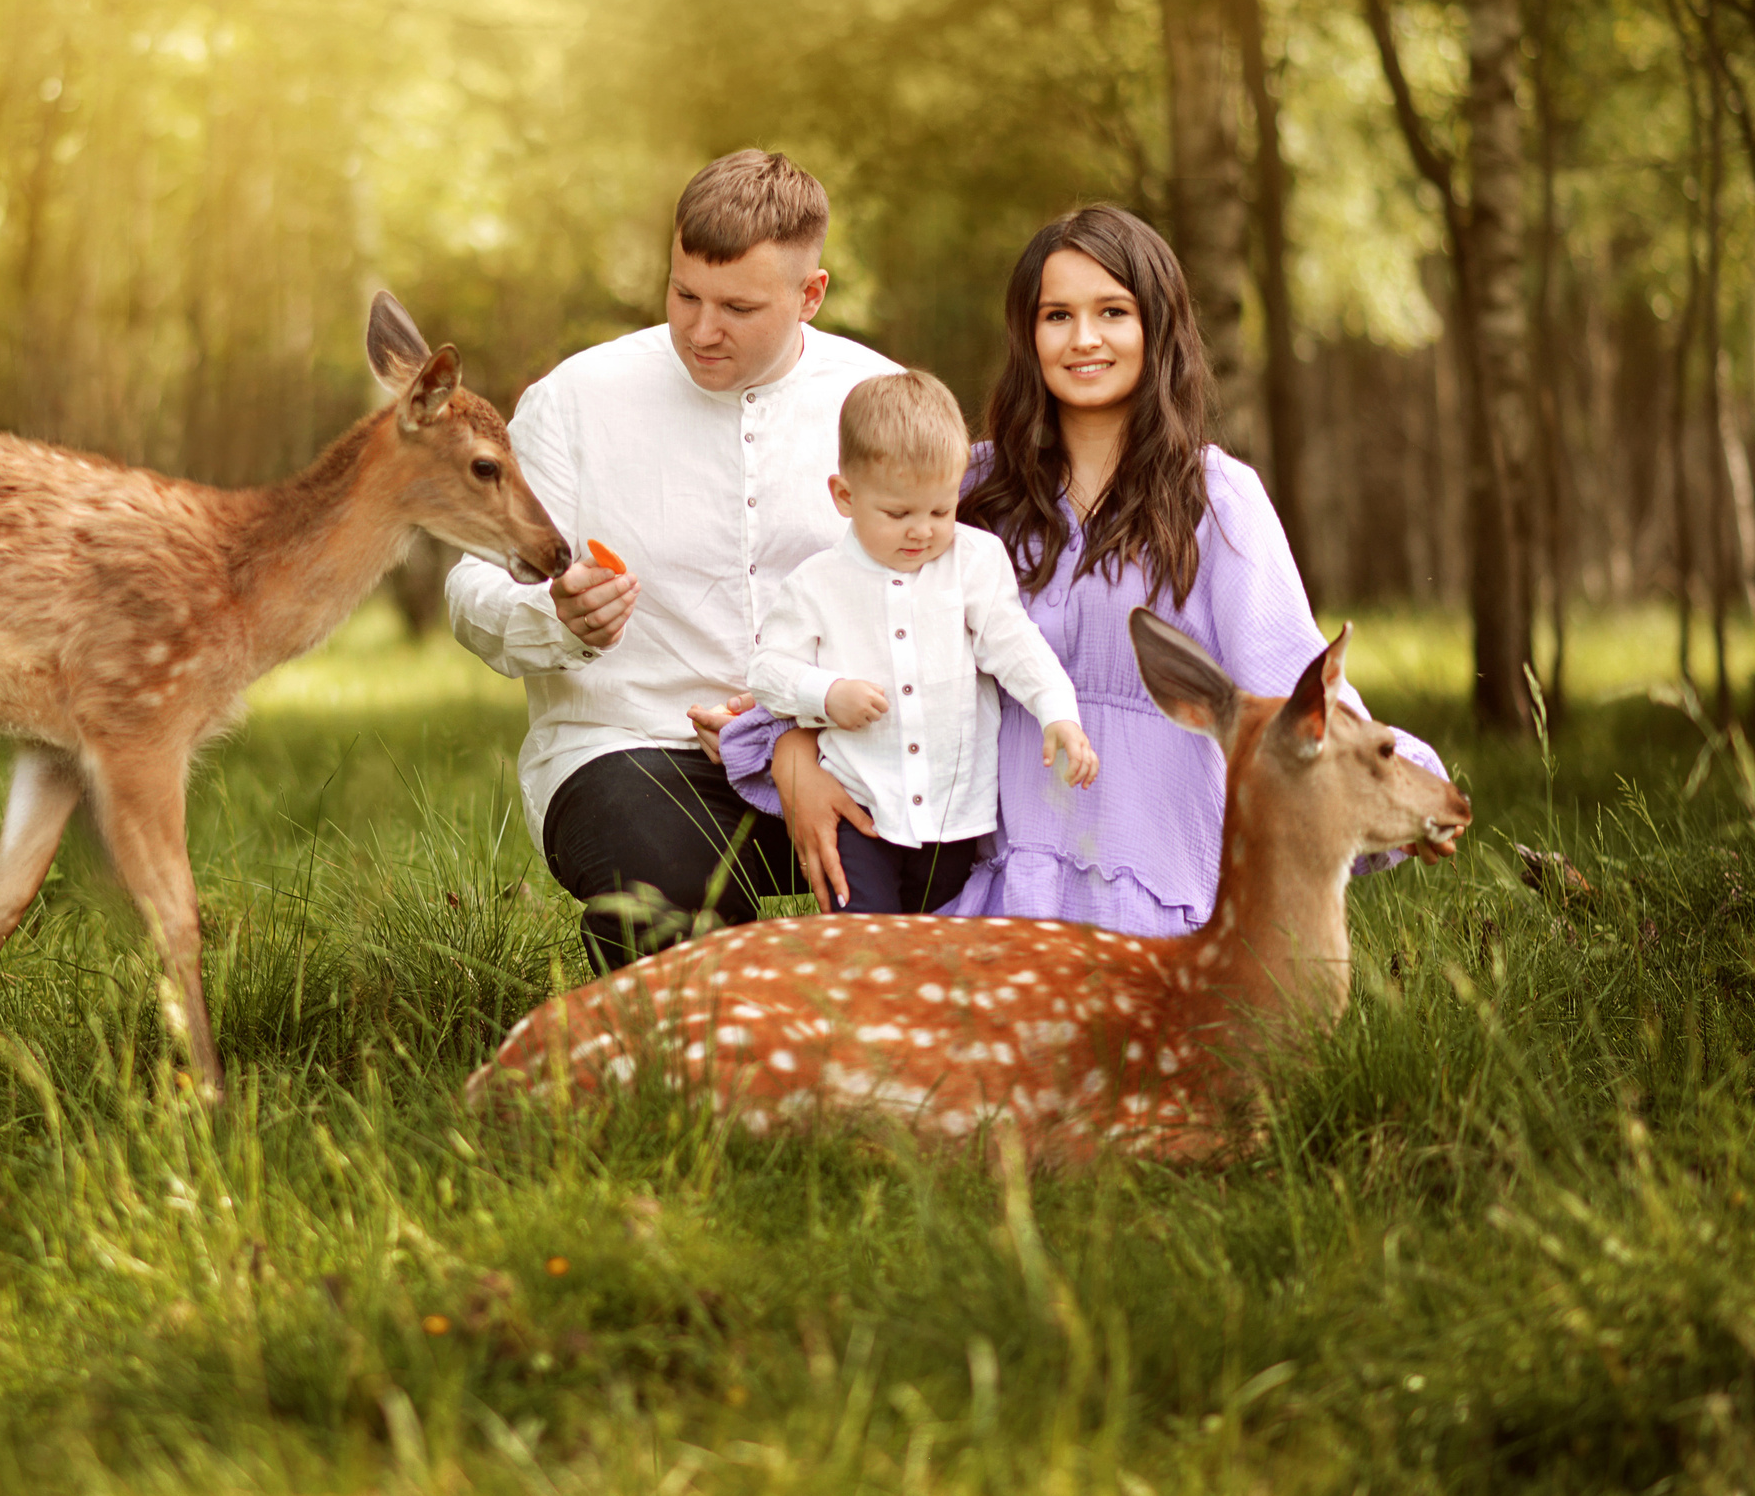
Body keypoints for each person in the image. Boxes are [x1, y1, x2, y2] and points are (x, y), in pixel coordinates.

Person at [727, 204, 1448, 932]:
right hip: (999, 868)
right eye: (1057, 316)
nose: (1085, 339)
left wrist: (1404, 778)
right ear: (1028, 334)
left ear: (1156, 327)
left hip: (1149, 866)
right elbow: (850, 611)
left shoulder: (1217, 500)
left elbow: (1288, 678)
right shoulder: (969, 492)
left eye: (1112, 312)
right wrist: (789, 748)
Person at [446, 149, 898, 967]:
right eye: (683, 293)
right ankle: (689, 1061)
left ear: (812, 294)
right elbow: (471, 588)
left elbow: (937, 594)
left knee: (963, 854)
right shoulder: (577, 401)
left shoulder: (879, 400)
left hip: (834, 748)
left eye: (737, 307)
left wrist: (799, 724)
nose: (699, 329)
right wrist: (555, 618)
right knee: (672, 899)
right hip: (632, 749)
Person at [746, 368, 1099, 915]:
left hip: (951, 815)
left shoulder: (974, 562)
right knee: (866, 938)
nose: (922, 531)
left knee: (936, 936)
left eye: (941, 510)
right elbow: (768, 671)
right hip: (861, 806)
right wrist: (825, 692)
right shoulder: (816, 583)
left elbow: (1015, 644)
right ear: (845, 495)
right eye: (898, 513)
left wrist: (1058, 712)